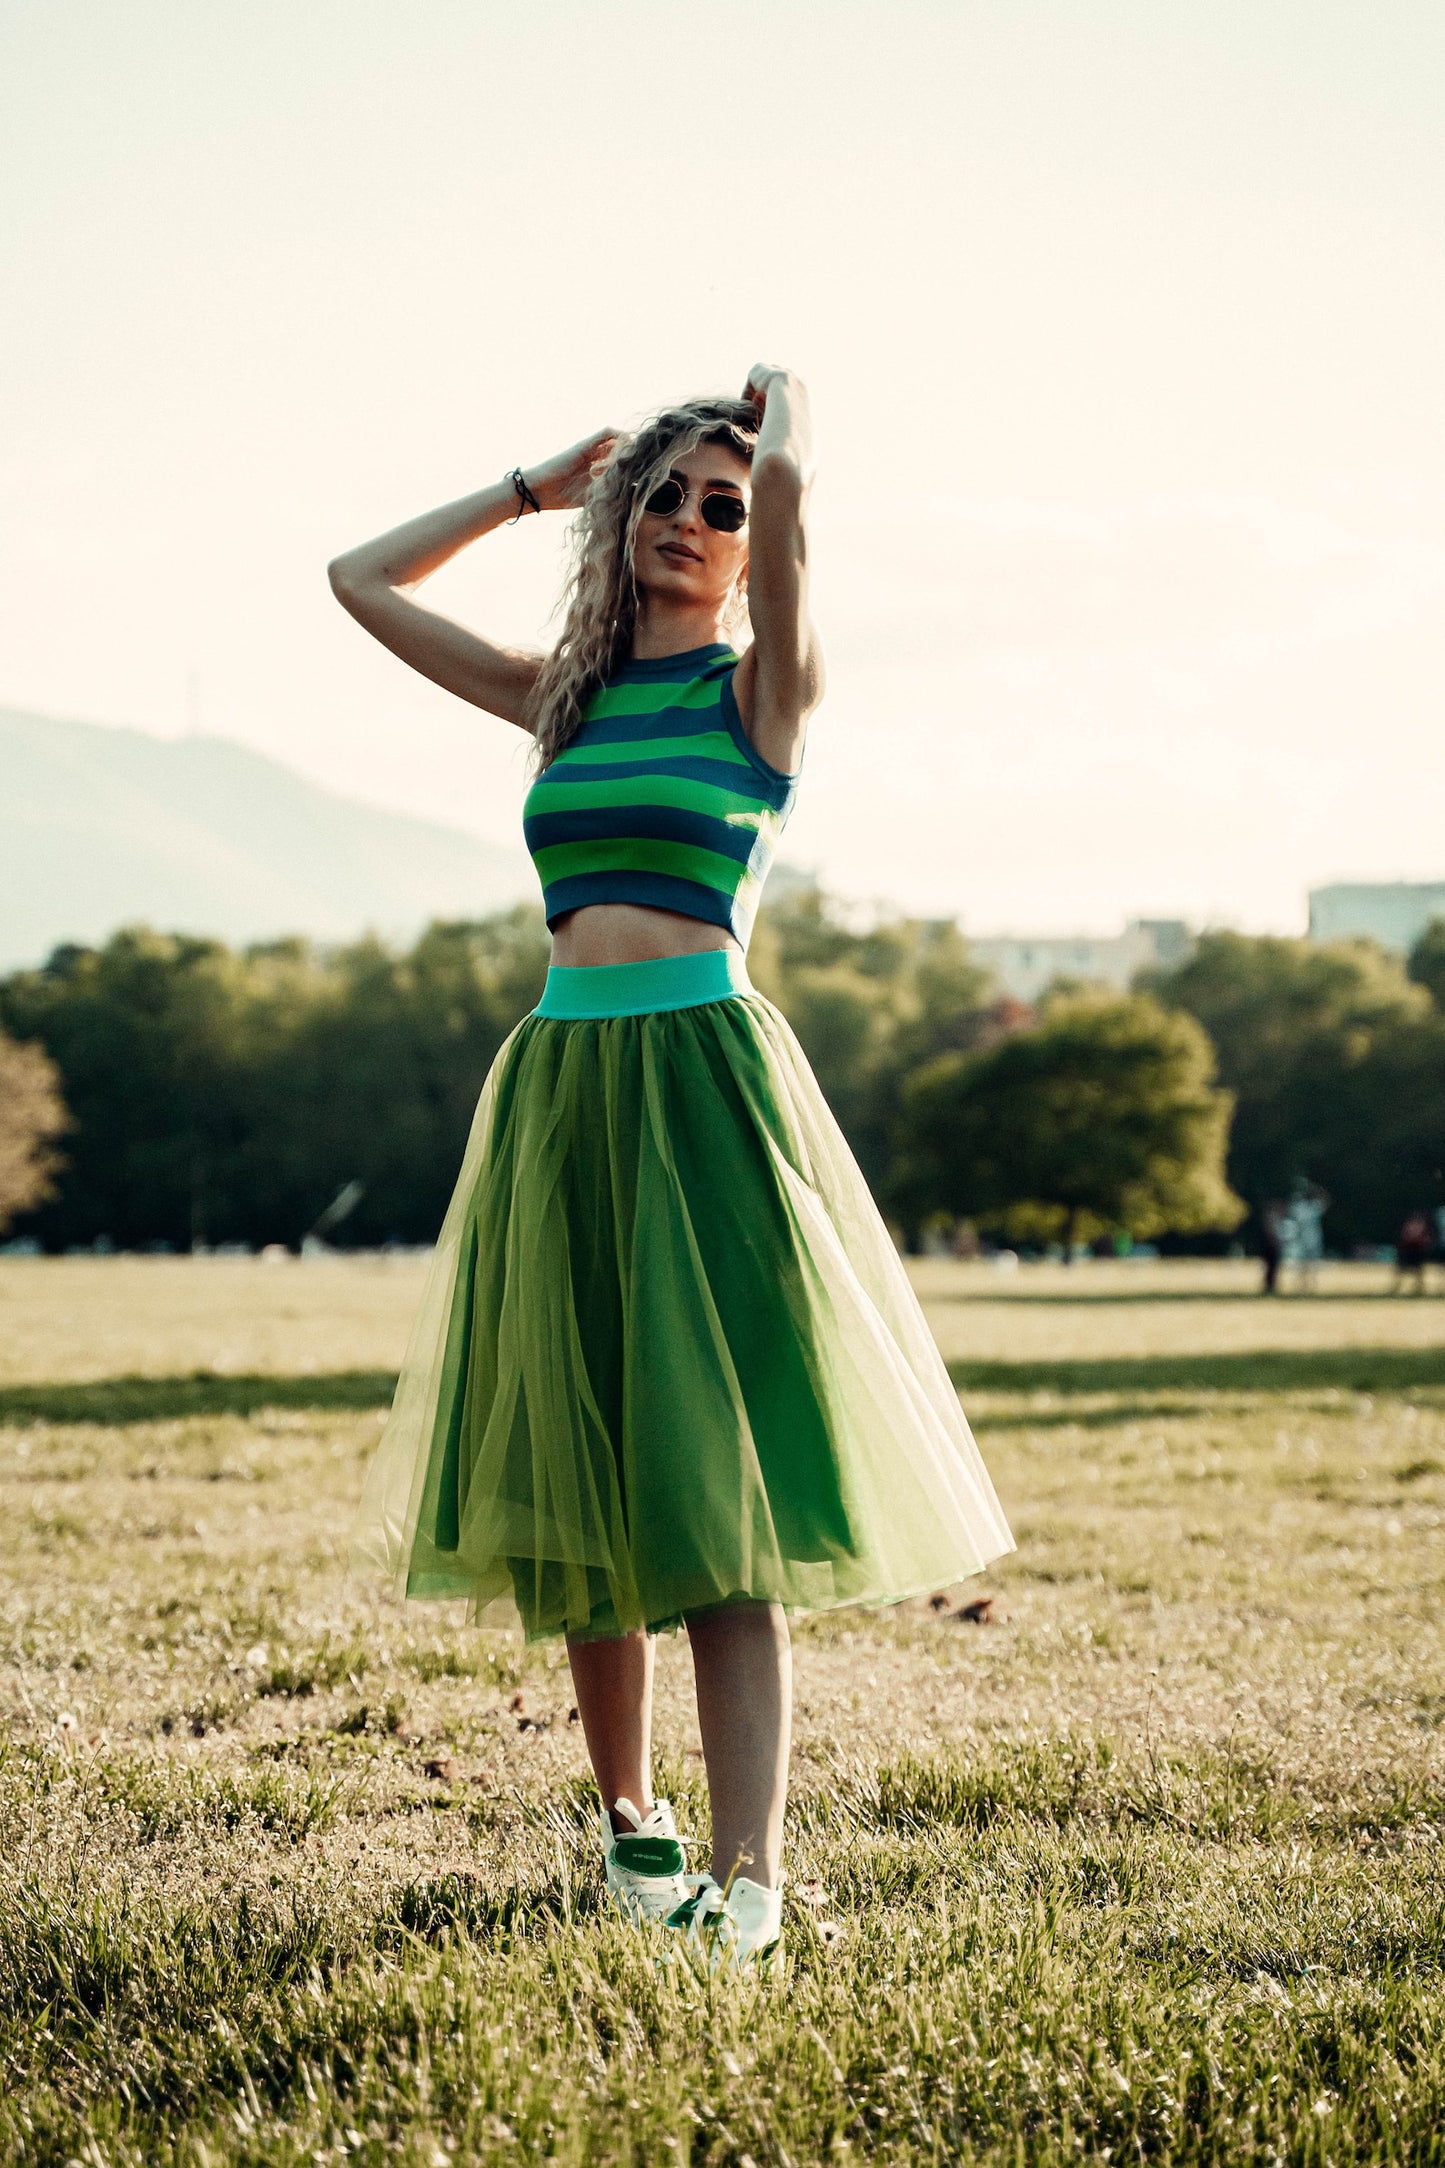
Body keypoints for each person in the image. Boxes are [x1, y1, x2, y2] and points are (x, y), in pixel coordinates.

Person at [328, 369, 1013, 1971]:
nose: (695, 520)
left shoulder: (765, 691)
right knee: (585, 1470)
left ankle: (749, 1879)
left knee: (717, 1496)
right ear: (624, 515)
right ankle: (632, 1826)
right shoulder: (557, 702)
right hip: (566, 1085)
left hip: (707, 1085)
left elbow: (780, 517)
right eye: (668, 494)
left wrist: (784, 459)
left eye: (722, 503)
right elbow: (357, 582)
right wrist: (524, 486)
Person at [1394, 1211, 1431, 1296]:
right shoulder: (1410, 1227)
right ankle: (1398, 1286)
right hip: (1409, 1252)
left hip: (1417, 1253)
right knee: (1402, 1270)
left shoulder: (1420, 1227)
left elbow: (1425, 1240)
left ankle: (1419, 1287)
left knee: (1418, 1271)